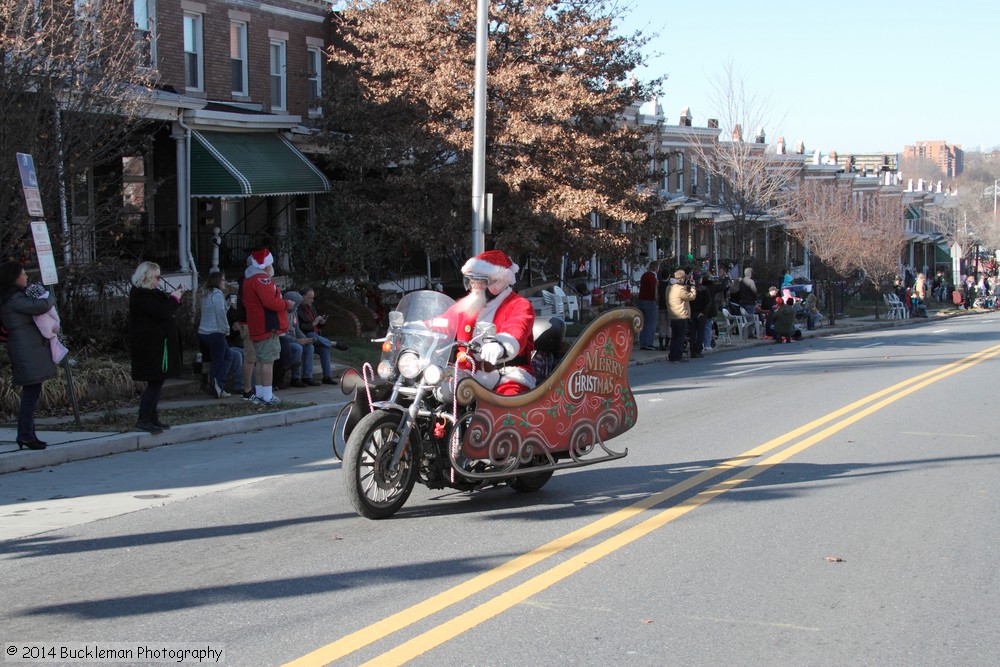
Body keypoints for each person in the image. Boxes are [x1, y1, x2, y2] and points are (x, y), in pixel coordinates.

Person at [438, 250, 535, 395]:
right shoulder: (466, 304)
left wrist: (501, 344)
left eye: (481, 281)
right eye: (471, 280)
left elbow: (517, 327)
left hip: (506, 372)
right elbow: (443, 323)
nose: (475, 286)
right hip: (468, 371)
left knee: (509, 400)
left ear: (500, 281)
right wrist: (416, 328)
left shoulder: (519, 305)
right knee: (436, 391)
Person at [0, 261, 58, 449]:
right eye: (23, 274)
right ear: (14, 277)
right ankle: (25, 434)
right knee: (30, 393)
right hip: (25, 350)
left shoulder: (13, 297)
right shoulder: (14, 299)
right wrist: (49, 295)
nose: (26, 277)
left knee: (32, 392)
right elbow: (40, 306)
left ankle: (28, 433)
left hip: (27, 349)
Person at [128, 261, 185, 434]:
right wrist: (174, 298)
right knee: (155, 381)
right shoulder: (141, 295)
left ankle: (152, 417)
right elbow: (162, 312)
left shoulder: (150, 294)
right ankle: (144, 418)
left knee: (157, 381)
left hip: (157, 344)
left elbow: (163, 310)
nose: (159, 281)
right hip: (150, 346)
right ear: (148, 277)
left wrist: (174, 298)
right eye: (157, 277)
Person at [243, 248, 290, 406]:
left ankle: (261, 394)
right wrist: (286, 304)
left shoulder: (248, 279)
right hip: (267, 325)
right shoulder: (261, 279)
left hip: (257, 325)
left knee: (260, 361)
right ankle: (267, 397)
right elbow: (270, 302)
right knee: (267, 362)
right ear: (266, 265)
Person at [197, 271, 243, 399]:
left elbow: (219, 310)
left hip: (205, 332)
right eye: (223, 280)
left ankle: (218, 386)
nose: (225, 282)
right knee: (220, 359)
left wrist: (227, 304)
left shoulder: (207, 294)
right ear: (217, 281)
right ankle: (216, 385)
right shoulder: (217, 294)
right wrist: (226, 329)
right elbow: (221, 314)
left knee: (227, 356)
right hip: (214, 332)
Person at [297, 286, 348, 384]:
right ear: (302, 297)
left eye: (312, 298)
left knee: (325, 348)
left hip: (315, 337)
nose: (312, 300)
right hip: (304, 338)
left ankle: (327, 376)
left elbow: (316, 327)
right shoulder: (297, 310)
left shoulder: (311, 308)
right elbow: (300, 328)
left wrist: (321, 323)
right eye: (310, 298)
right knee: (311, 335)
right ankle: (333, 343)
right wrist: (314, 323)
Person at [278, 291, 314, 387]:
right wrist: (297, 341)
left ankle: (307, 377)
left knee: (310, 347)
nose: (296, 307)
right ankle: (295, 378)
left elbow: (297, 329)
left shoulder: (294, 312)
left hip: (295, 338)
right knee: (298, 348)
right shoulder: (281, 313)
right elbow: (281, 334)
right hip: (286, 341)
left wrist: (305, 339)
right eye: (296, 304)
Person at [667, 269, 695, 362]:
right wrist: (693, 288)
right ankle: (677, 356)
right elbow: (691, 297)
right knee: (680, 337)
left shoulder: (669, 288)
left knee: (674, 336)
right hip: (681, 315)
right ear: (681, 278)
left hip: (672, 315)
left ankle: (672, 355)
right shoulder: (680, 289)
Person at [636, 260, 658, 350]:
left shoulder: (644, 275)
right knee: (650, 323)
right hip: (650, 301)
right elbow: (654, 291)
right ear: (656, 268)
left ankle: (643, 342)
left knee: (643, 323)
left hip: (641, 300)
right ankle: (648, 343)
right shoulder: (652, 278)